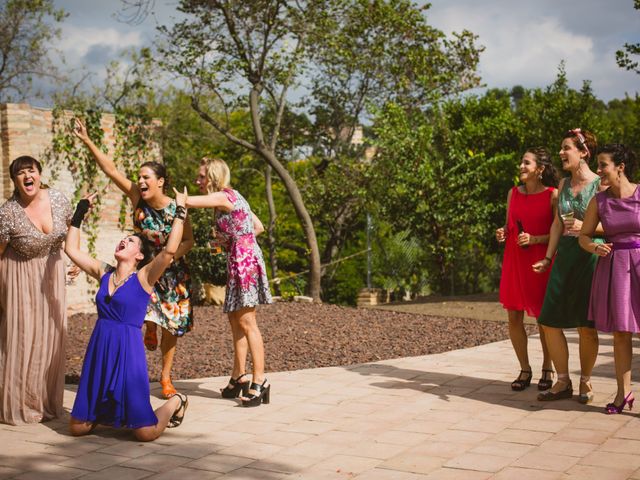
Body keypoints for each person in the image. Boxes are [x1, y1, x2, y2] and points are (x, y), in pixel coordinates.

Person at [73, 119, 194, 399]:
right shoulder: (136, 198)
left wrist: (172, 258)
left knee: (172, 326)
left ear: (161, 182)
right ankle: (148, 327)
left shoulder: (177, 207)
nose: (140, 182)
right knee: (143, 313)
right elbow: (110, 169)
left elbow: (189, 240)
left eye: (146, 178)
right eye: (138, 178)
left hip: (172, 272)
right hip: (142, 269)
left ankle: (165, 377)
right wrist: (87, 139)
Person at [65, 189, 189, 441]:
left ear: (140, 255)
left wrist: (181, 211)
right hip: (100, 348)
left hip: (127, 351)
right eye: (122, 239)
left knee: (145, 433)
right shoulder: (104, 272)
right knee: (77, 428)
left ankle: (176, 402)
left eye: (130, 241)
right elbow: (71, 250)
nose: (124, 241)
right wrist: (79, 213)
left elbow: (168, 251)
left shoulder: (144, 276)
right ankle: (107, 409)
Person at [190, 157, 272, 407]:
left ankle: (260, 381)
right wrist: (233, 239)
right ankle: (239, 377)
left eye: (201, 177)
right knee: (235, 320)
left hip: (244, 262)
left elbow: (189, 201)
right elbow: (257, 226)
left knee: (248, 322)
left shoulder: (224, 196)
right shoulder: (230, 200)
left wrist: (171, 199)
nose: (197, 181)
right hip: (239, 258)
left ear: (213, 178)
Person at [0, 156, 72, 425]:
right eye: (20, 173)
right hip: (18, 277)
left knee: (50, 338)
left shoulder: (58, 199)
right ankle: (18, 403)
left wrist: (74, 258)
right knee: (22, 338)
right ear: (15, 181)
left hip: (51, 273)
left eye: (31, 171)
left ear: (40, 174)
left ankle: (45, 402)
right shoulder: (7, 212)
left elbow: (70, 232)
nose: (27, 176)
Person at [533, 128, 603, 404]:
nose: (561, 153)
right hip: (563, 259)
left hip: (589, 258)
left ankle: (586, 381)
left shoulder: (601, 184)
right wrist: (548, 258)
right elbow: (556, 225)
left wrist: (586, 227)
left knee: (587, 325)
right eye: (561, 148)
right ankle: (562, 381)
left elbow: (613, 225)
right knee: (548, 320)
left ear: (583, 152)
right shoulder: (562, 185)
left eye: (567, 148)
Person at [579, 144, 639, 414]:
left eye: (603, 165)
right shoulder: (599, 201)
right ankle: (623, 393)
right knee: (621, 333)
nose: (599, 170)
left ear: (620, 167)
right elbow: (584, 236)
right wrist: (595, 247)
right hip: (614, 267)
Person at [496, 148, 558, 391]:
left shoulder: (553, 195)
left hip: (539, 263)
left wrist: (534, 240)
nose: (521, 166)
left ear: (539, 169)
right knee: (513, 316)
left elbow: (557, 233)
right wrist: (502, 232)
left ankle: (547, 367)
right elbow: (509, 226)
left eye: (526, 162)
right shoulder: (513, 193)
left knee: (544, 319)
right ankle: (525, 368)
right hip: (514, 262)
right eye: (521, 162)